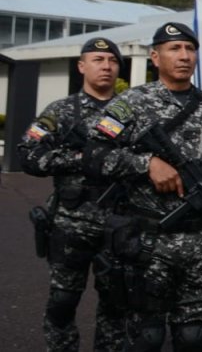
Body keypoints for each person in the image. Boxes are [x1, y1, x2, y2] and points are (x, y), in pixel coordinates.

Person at [83, 22, 202, 351]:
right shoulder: (131, 103)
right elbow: (94, 153)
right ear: (155, 57)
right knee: (146, 336)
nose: (184, 56)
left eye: (190, 49)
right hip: (148, 243)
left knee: (194, 337)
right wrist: (146, 164)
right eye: (175, 49)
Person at [19, 37, 127, 351]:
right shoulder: (61, 111)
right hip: (70, 223)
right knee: (62, 302)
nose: (105, 66)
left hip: (118, 224)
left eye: (111, 61)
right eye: (97, 60)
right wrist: (79, 160)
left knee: (116, 305)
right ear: (82, 66)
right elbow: (28, 154)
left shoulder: (130, 111)